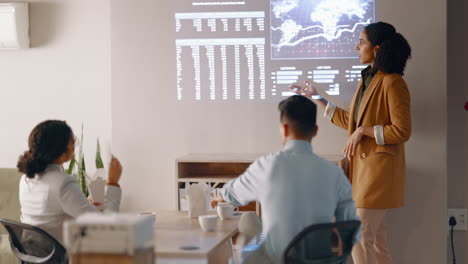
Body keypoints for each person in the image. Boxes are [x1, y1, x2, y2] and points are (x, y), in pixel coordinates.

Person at [291, 21, 411, 264]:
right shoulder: (367, 80)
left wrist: (365, 131)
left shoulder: (392, 82)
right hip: (363, 172)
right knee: (377, 241)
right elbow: (350, 121)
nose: (357, 47)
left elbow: (402, 131)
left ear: (376, 49)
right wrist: (316, 97)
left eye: (361, 42)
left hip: (378, 173)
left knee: (357, 236)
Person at [212, 95, 359, 264]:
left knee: (247, 233)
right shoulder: (334, 173)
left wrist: (220, 196)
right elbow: (350, 223)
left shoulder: (267, 166)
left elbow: (233, 192)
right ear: (315, 131)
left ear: (285, 129)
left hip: (277, 260)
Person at [17, 120, 123, 243]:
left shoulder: (26, 179)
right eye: (72, 141)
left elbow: (50, 216)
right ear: (60, 151)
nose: (74, 144)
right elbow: (104, 228)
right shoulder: (63, 183)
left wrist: (83, 202)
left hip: (33, 257)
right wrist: (113, 183)